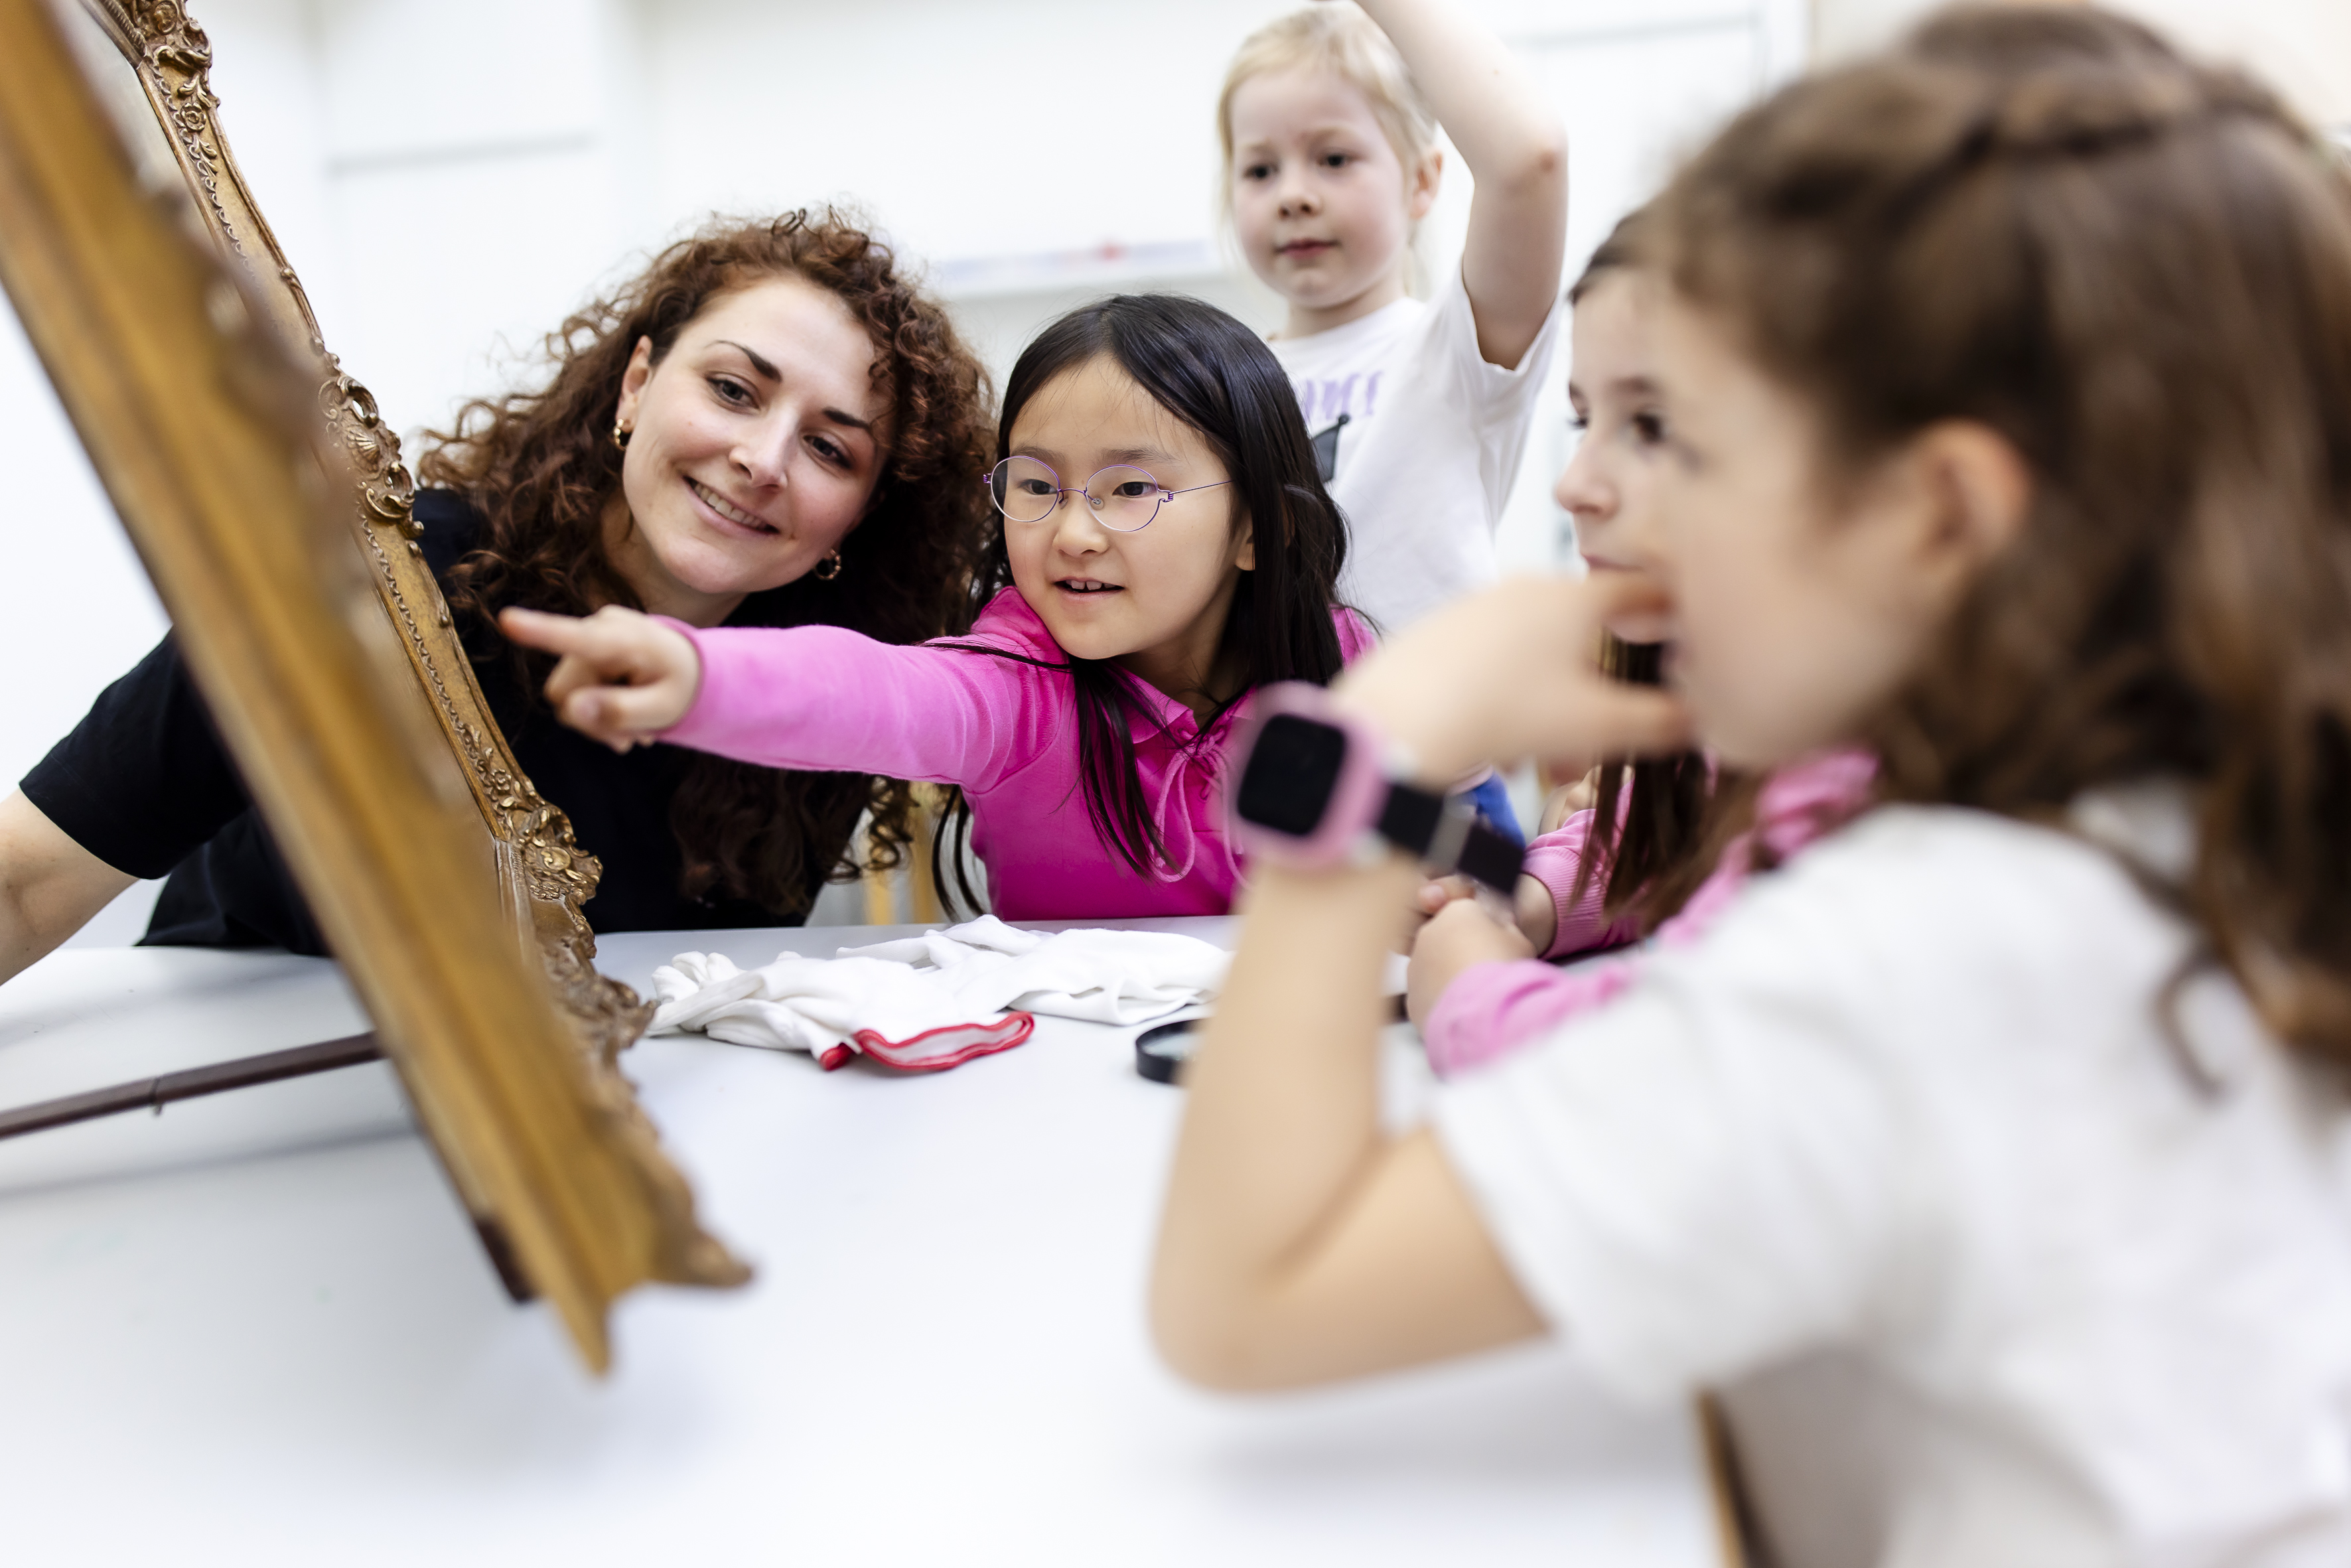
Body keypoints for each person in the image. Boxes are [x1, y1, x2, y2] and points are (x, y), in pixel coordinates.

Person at [1150, 8, 2351, 1564]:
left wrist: (1376, 750)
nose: (1586, 491)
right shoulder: (2170, 831)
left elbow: (1241, 1300)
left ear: (1934, 516)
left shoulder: (1928, 955)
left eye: (1685, 438)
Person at [0, 210, 993, 983]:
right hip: (239, 1082)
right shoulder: (385, 580)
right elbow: (28, 878)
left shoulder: (818, 706)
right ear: (636, 384)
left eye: (830, 447)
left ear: (862, 512)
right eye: (734, 389)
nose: (761, 458)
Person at [502, 294, 1368, 922]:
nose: (1070, 532)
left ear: (1258, 528)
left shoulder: (1345, 667)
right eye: (1035, 485)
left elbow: (1477, 830)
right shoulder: (1021, 686)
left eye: (1129, 486)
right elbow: (877, 688)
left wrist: (1503, 889)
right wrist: (698, 670)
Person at [1220, 0, 1568, 838]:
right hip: (1273, 796)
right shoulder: (1223, 381)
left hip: (1434, 795)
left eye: (1334, 157)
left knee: (1456, 966)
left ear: (1422, 181)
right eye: (1259, 169)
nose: (1295, 195)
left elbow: (1530, 162)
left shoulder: (1455, 350)